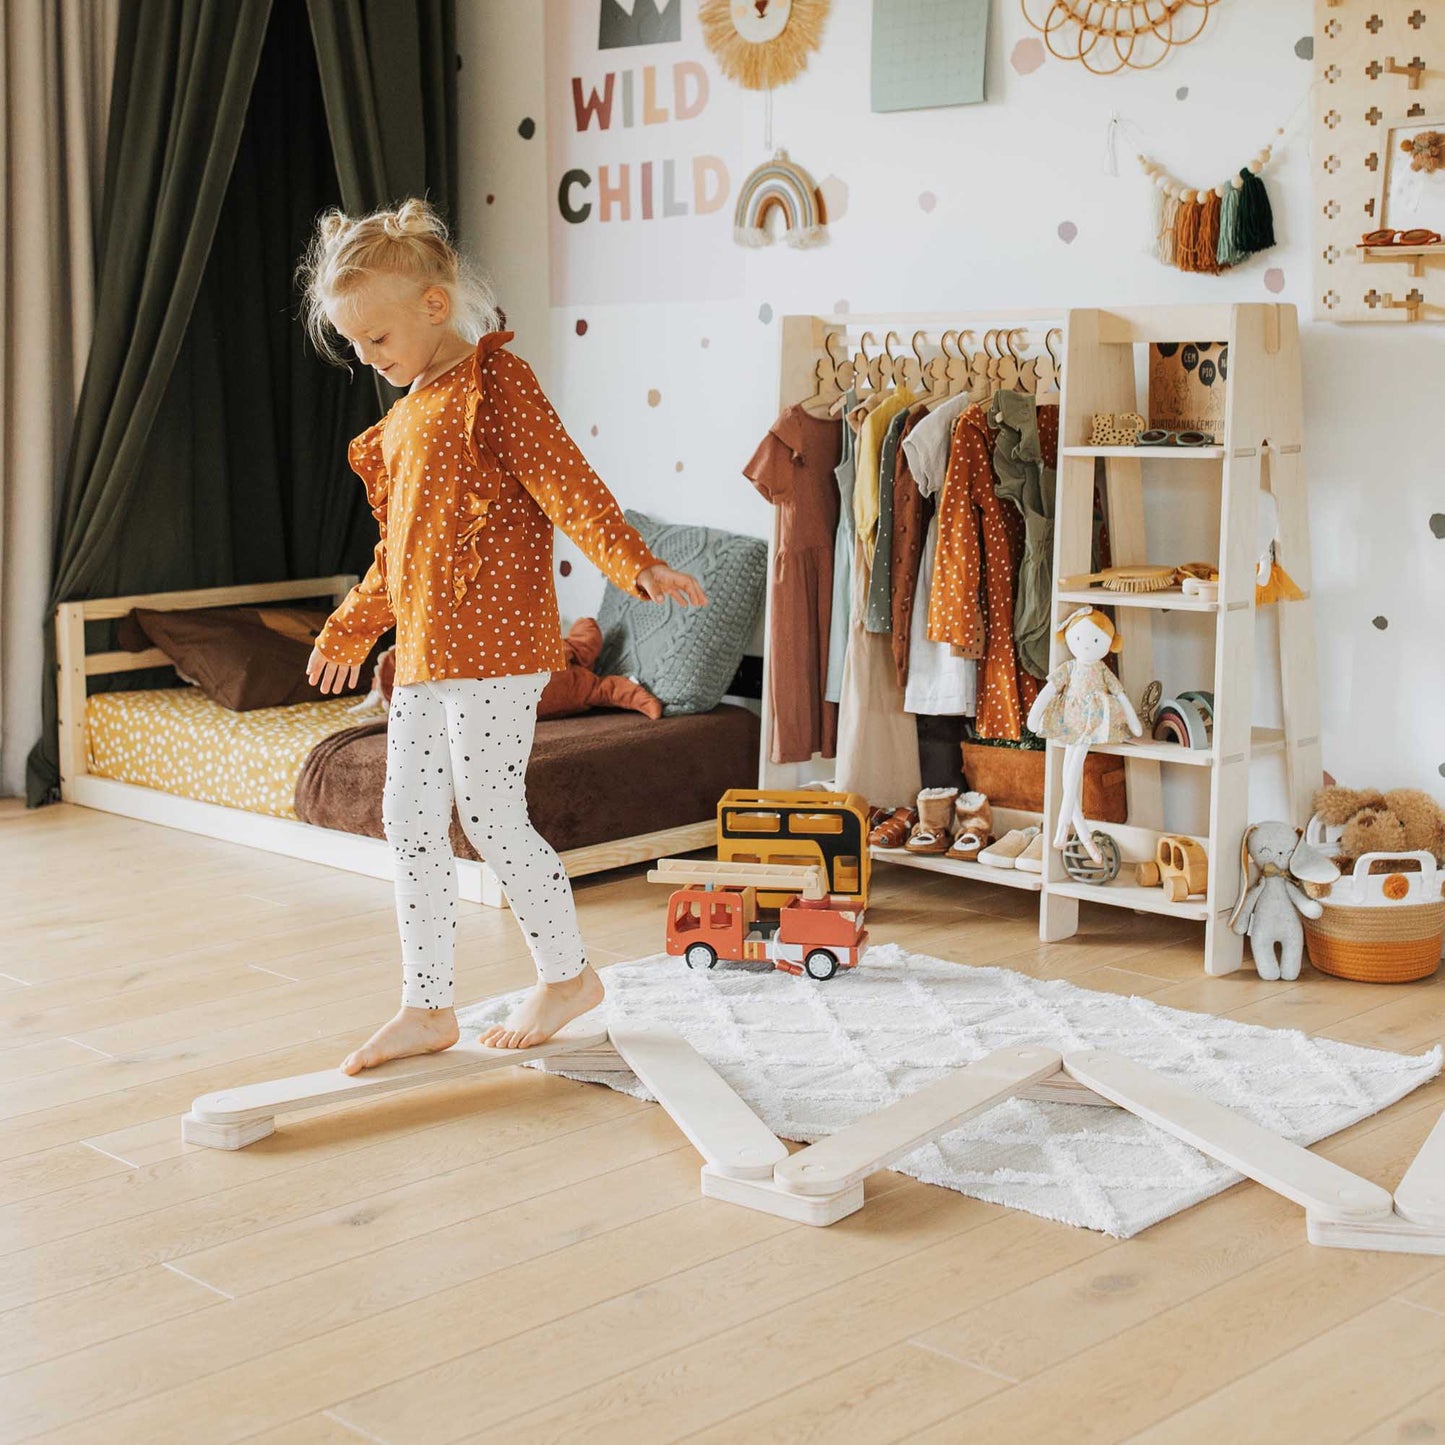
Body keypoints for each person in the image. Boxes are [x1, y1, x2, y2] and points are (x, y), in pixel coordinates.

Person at [295, 199, 706, 1073]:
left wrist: (636, 564)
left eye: (377, 337)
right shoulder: (406, 420)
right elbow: (394, 557)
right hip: (428, 658)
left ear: (434, 306)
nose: (369, 358)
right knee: (406, 819)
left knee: (488, 815)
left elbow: (567, 484)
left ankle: (567, 976)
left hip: (498, 652)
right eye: (356, 345)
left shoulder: (494, 384)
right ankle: (426, 1003)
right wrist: (350, 627)